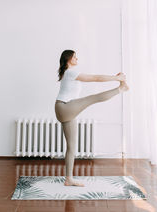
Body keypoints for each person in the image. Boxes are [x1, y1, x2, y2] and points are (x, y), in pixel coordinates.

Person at [54, 49, 129, 187]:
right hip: (65, 107)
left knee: (71, 146)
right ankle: (121, 89)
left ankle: (68, 179)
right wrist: (116, 78)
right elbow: (96, 78)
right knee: (92, 98)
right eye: (75, 57)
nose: (77, 59)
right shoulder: (71, 72)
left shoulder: (67, 73)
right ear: (69, 58)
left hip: (64, 109)